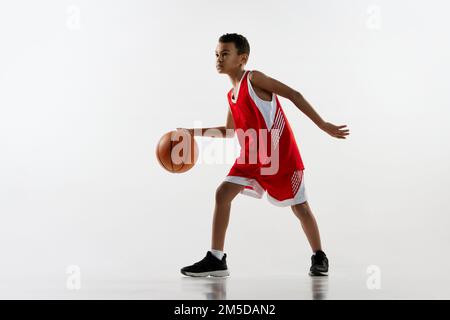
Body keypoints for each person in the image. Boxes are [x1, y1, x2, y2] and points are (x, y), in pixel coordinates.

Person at [178, 33, 349, 277]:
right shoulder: (231, 95)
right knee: (222, 193)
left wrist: (322, 124)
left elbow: (294, 95)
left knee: (300, 208)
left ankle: (319, 256)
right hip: (250, 157)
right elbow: (229, 131)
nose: (219, 59)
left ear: (242, 58)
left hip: (279, 156)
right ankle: (216, 259)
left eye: (225, 54)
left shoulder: (254, 79)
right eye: (216, 54)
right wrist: (191, 132)